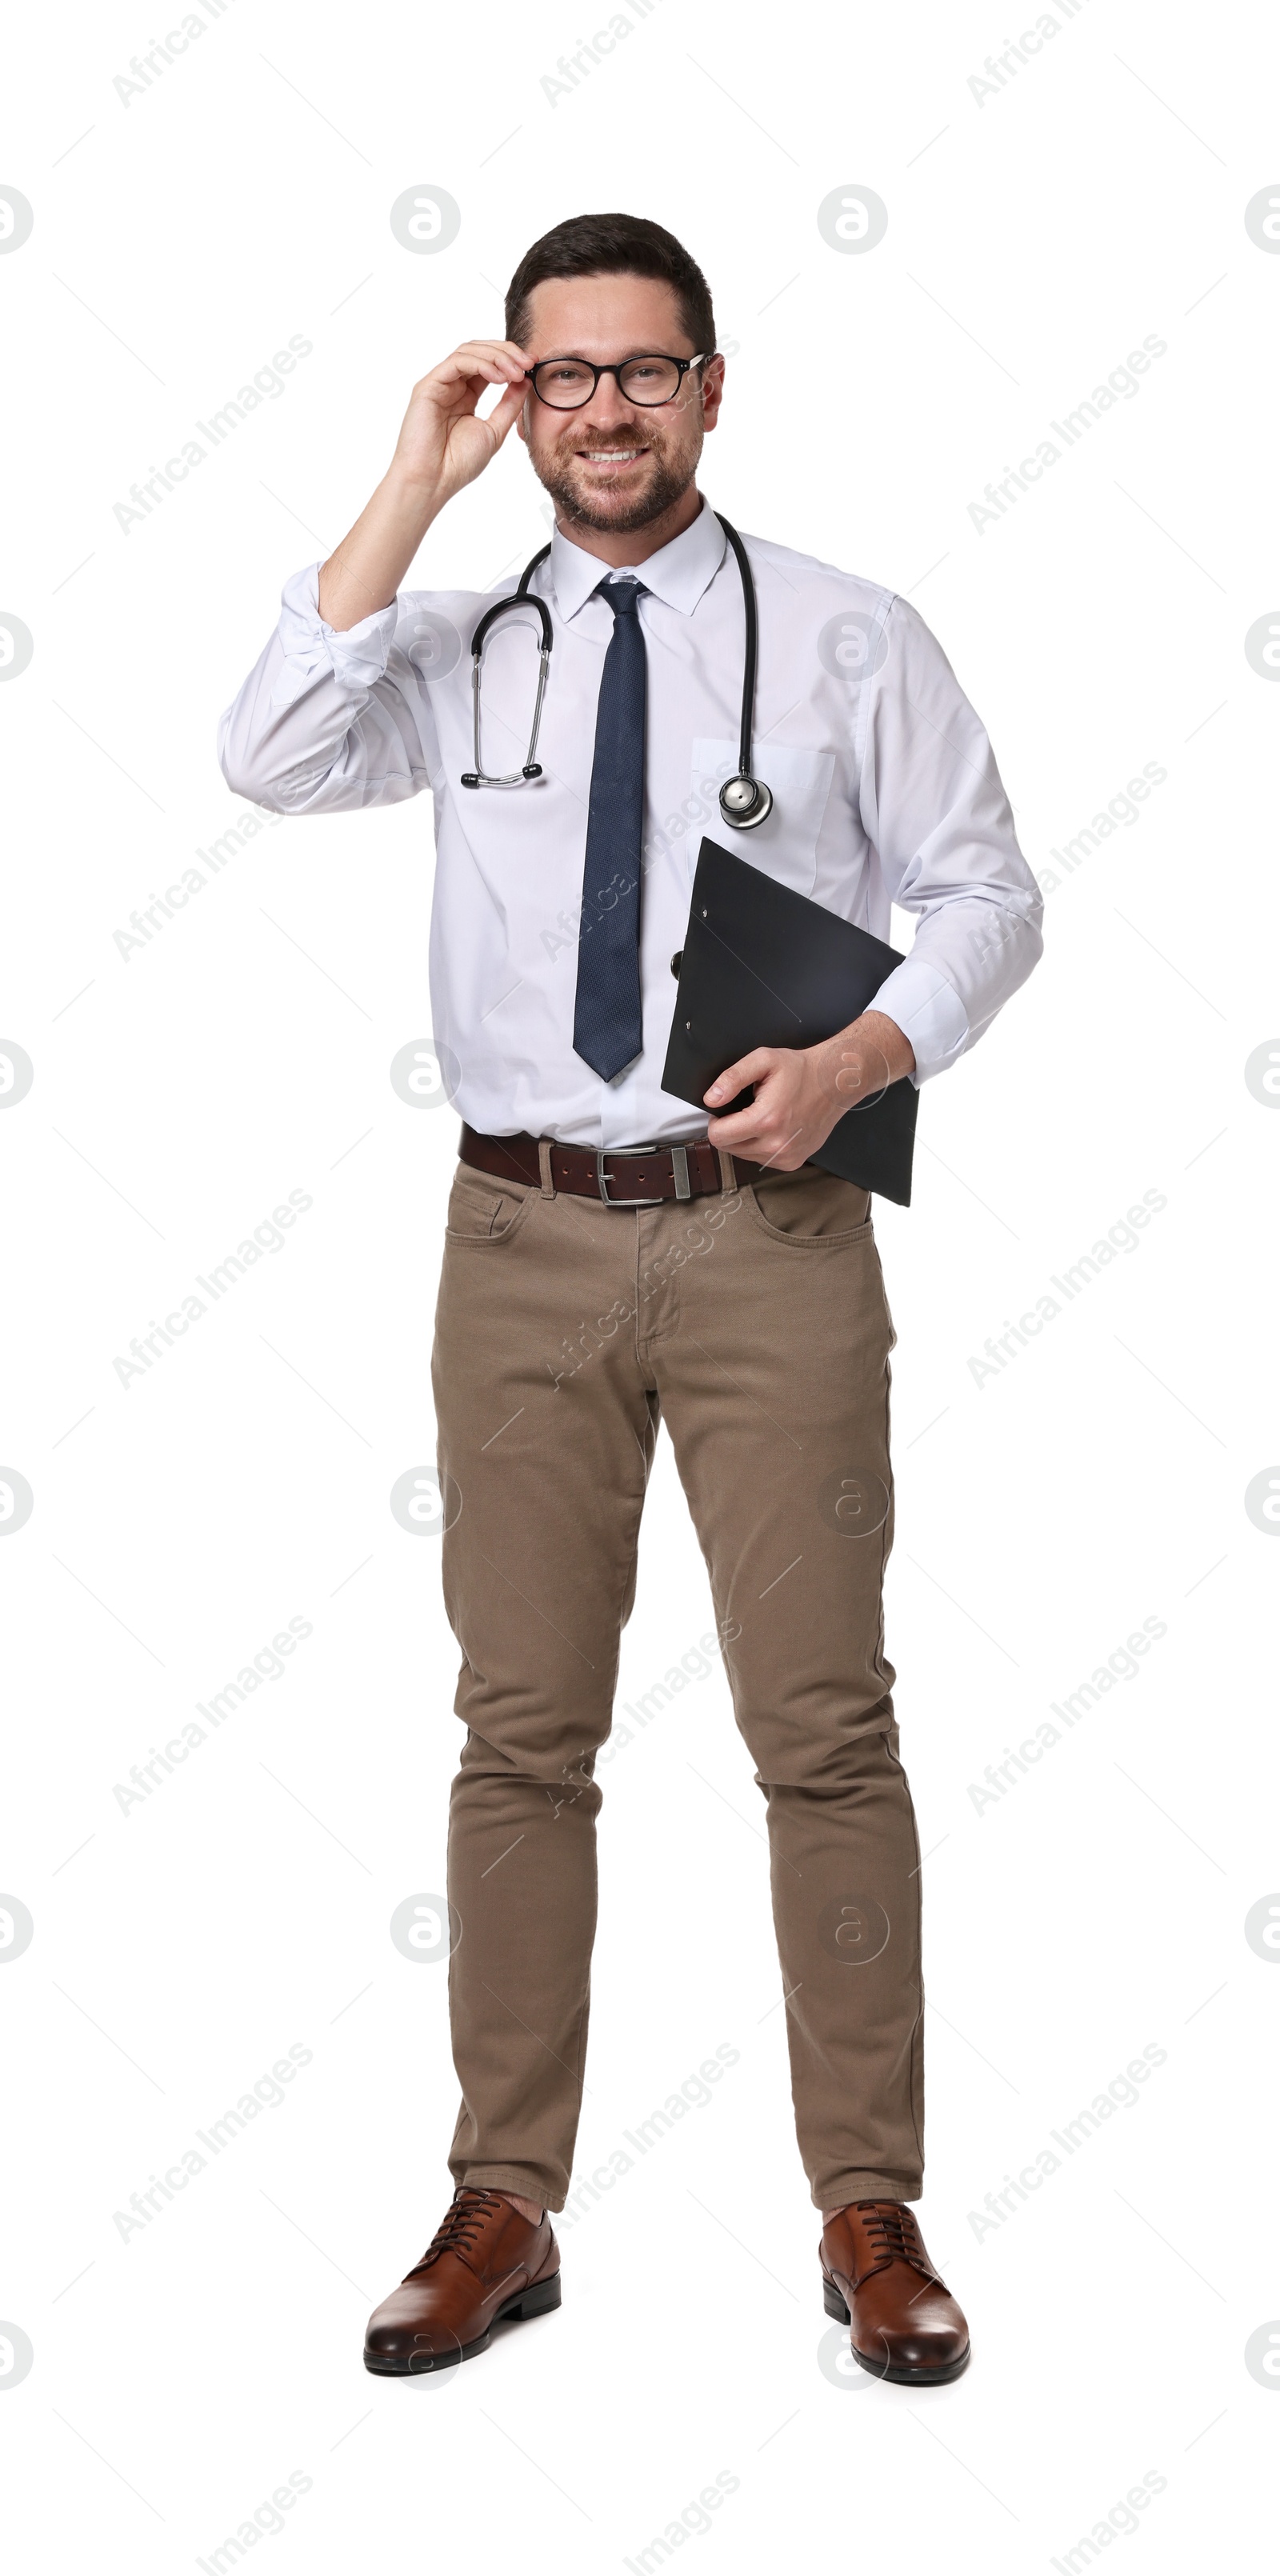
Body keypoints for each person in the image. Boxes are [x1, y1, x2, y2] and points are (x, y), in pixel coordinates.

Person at [219, 210, 1042, 2386]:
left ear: (709, 387)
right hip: (516, 1245)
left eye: (642, 370)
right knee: (520, 1734)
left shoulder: (852, 639)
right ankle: (508, 2195)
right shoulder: (455, 636)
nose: (602, 409)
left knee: (825, 1728)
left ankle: (870, 2206)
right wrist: (412, 480)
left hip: (772, 1242)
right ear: (518, 390)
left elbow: (990, 891)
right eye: (557, 374)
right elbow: (265, 752)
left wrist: (869, 1053)